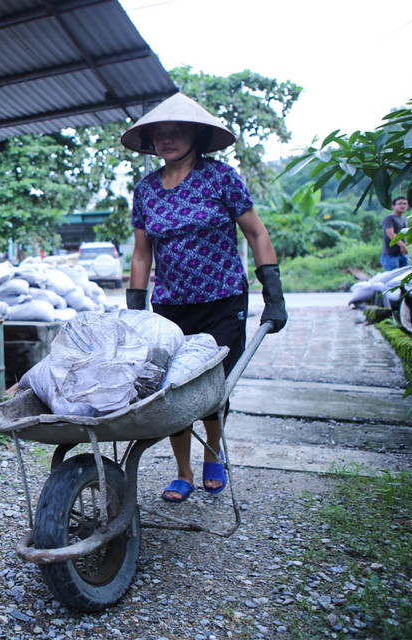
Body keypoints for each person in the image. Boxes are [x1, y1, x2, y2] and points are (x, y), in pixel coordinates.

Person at [120, 93, 287, 502]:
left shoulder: (220, 177)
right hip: (172, 304)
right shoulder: (145, 190)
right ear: (151, 142)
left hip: (223, 298)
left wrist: (274, 292)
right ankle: (183, 470)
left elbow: (256, 232)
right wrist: (137, 305)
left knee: (213, 386)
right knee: (171, 387)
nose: (168, 139)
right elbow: (142, 252)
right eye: (160, 133)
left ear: (196, 135)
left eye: (177, 131)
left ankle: (214, 453)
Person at [380, 197, 410, 271]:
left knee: (404, 277)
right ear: (393, 206)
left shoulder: (404, 219)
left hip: (402, 254)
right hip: (390, 255)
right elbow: (390, 233)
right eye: (400, 203)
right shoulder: (389, 218)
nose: (402, 206)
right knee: (393, 279)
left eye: (405, 203)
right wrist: (403, 246)